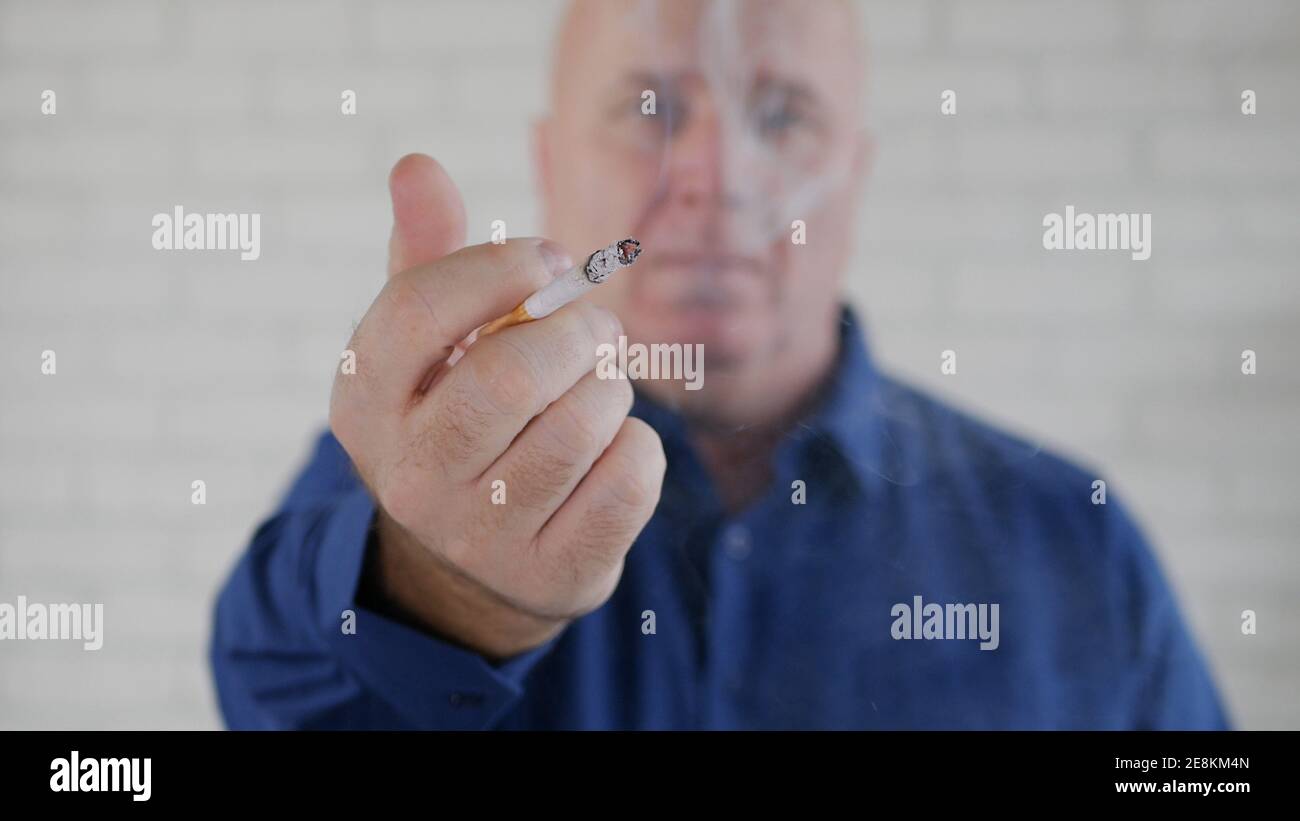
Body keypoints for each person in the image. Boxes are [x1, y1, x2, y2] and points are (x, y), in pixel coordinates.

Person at [210, 0, 1228, 729]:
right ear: (551, 164)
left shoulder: (1073, 539)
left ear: (856, 179)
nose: (713, 174)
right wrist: (448, 597)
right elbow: (268, 680)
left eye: (781, 114)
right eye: (650, 108)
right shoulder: (423, 465)